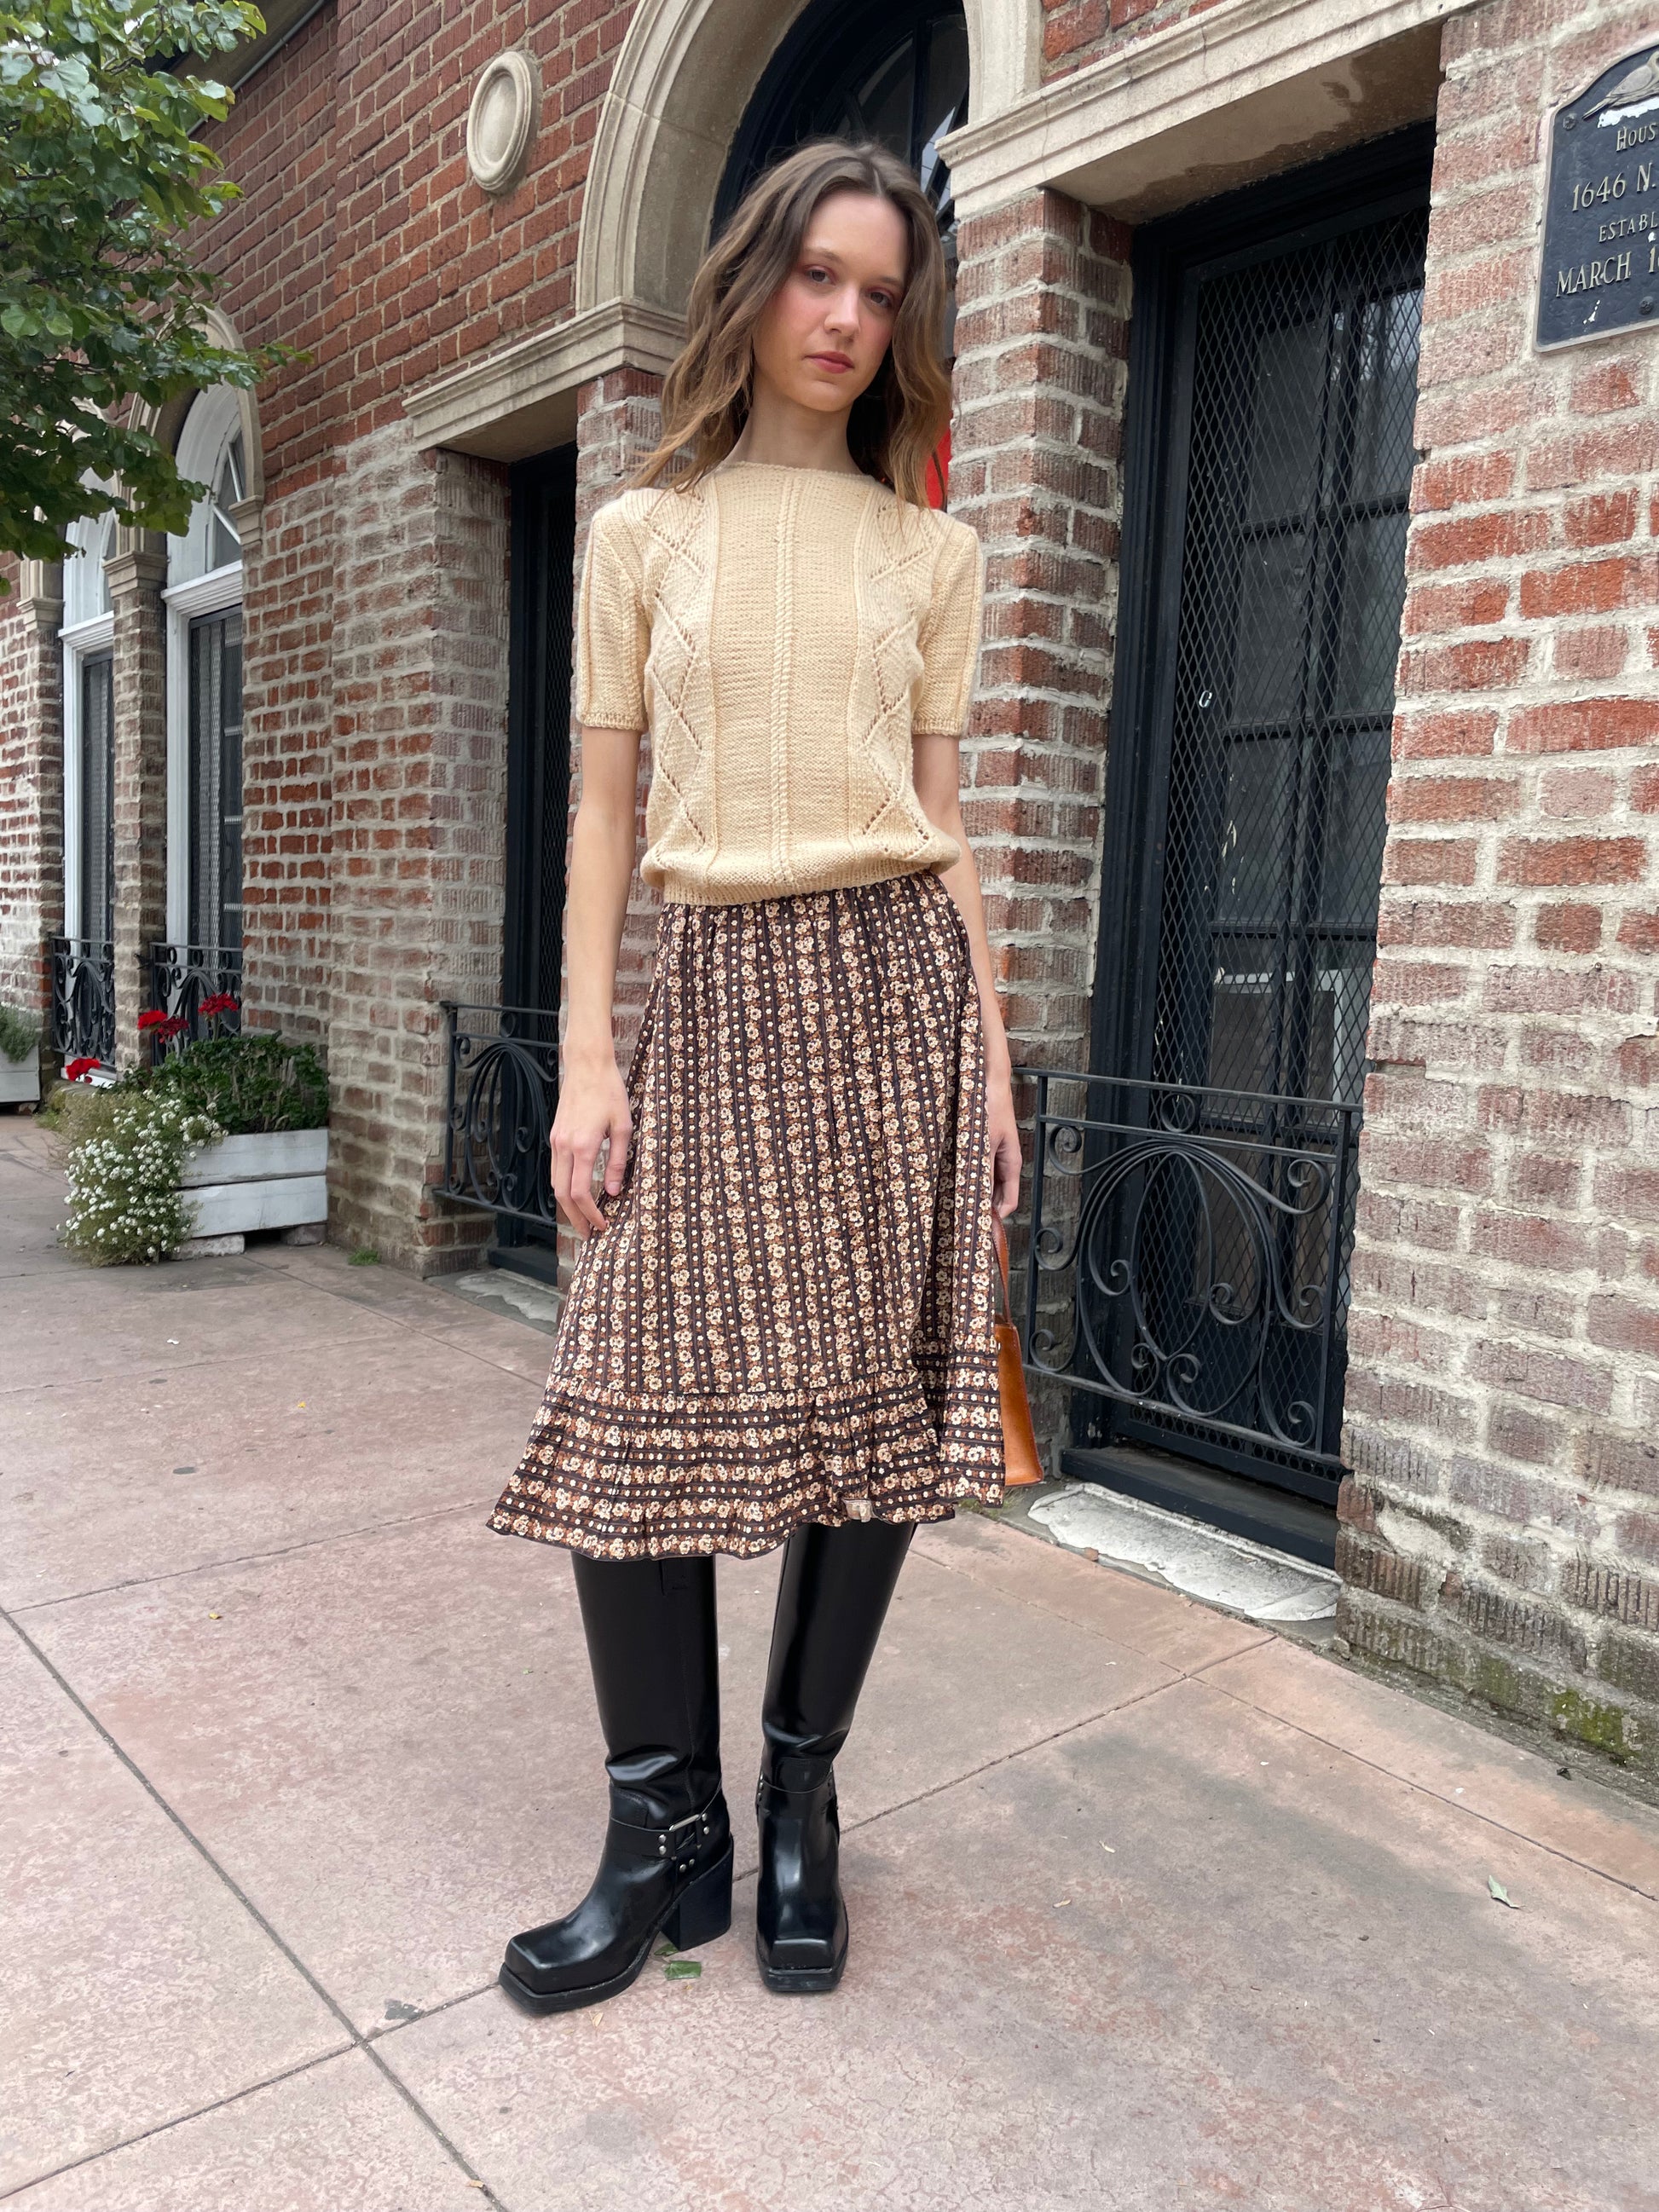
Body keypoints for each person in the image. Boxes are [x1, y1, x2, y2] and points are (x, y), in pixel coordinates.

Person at [487, 136, 1020, 2013]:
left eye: (882, 292)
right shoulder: (647, 530)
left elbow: (944, 828)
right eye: (820, 276)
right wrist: (586, 1051)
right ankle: (664, 1833)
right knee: (625, 1396)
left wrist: (999, 1065)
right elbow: (603, 812)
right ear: (755, 282)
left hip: (894, 989)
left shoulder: (931, 550)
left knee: (863, 1417)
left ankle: (799, 1802)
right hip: (707, 987)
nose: (849, 319)